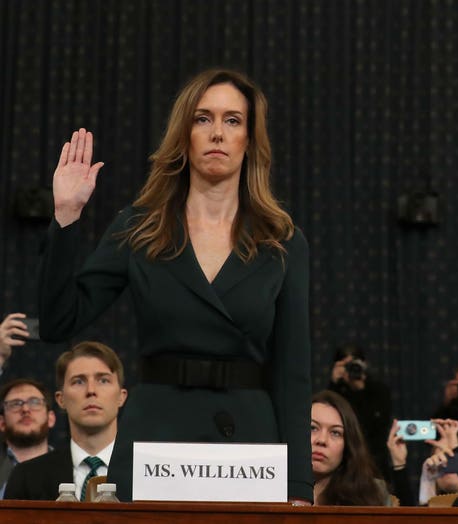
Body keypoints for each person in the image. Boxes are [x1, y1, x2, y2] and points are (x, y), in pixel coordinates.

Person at [38, 69, 312, 501]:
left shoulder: (282, 240)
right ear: (183, 134)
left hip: (249, 448)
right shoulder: (139, 227)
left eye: (233, 120)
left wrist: (298, 486)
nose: (217, 133)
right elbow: (58, 321)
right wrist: (66, 217)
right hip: (155, 437)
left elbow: (293, 374)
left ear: (251, 139)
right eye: (203, 119)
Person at [5, 341, 127, 501]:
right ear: (61, 399)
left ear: (121, 396)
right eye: (79, 381)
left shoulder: (145, 474)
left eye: (103, 380)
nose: (91, 390)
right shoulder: (26, 476)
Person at [310, 390, 390, 506]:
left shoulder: (372, 492)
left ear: (348, 444)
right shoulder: (275, 488)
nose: (322, 440)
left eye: (335, 433)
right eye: (313, 428)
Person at [327, 344, 392, 474]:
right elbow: (327, 417)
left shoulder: (378, 390)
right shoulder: (336, 392)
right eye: (346, 366)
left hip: (374, 460)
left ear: (364, 365)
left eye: (355, 364)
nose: (352, 369)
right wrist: (333, 384)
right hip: (343, 461)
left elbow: (378, 426)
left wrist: (360, 390)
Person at [0, 378, 57, 498]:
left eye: (35, 402)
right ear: (2, 423)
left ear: (51, 418)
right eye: (15, 404)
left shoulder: (71, 466)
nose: (25, 409)